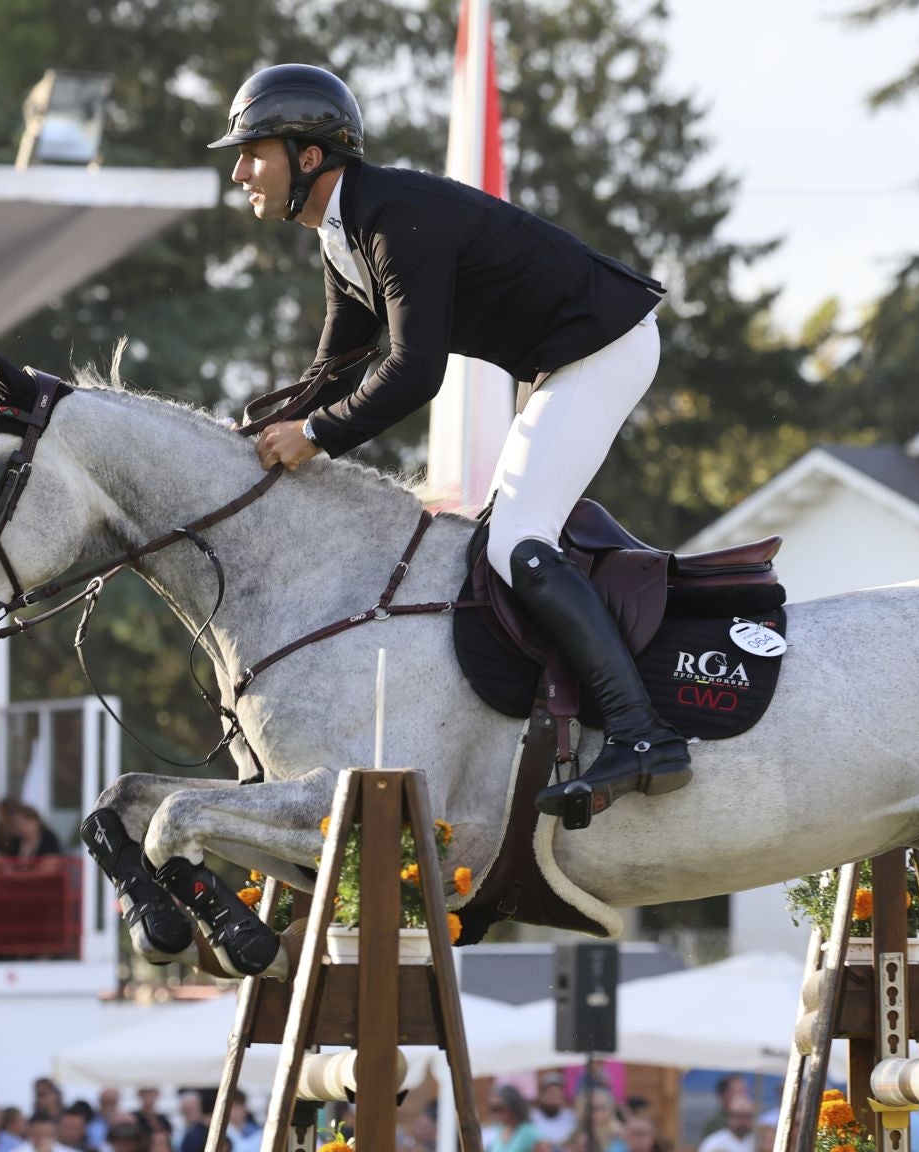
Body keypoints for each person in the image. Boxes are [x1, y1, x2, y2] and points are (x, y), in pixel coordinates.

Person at [211, 63, 685, 822]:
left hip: (604, 347)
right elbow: (335, 368)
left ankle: (643, 734)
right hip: (567, 360)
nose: (239, 172)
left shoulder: (391, 218)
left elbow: (414, 373)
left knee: (518, 543)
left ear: (308, 157)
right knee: (505, 540)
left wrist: (316, 435)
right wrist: (251, 440)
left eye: (252, 151)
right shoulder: (344, 231)